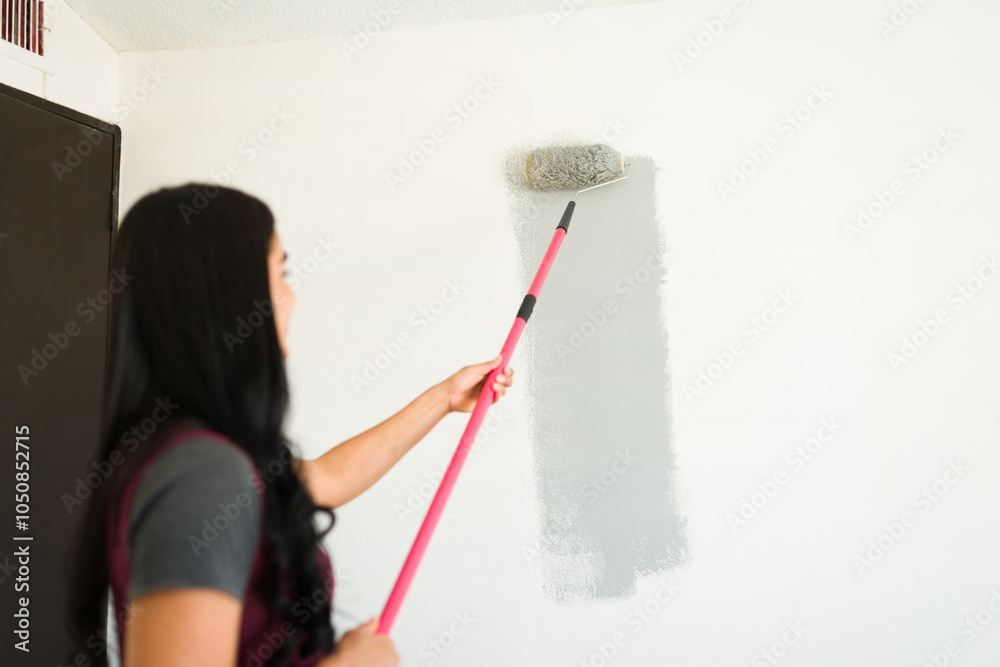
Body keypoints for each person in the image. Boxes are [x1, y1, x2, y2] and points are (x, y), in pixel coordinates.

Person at [66, 184, 514, 667]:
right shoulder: (201, 472)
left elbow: (326, 478)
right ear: (230, 295)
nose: (292, 297)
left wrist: (443, 399)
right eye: (281, 272)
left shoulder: (198, 453)